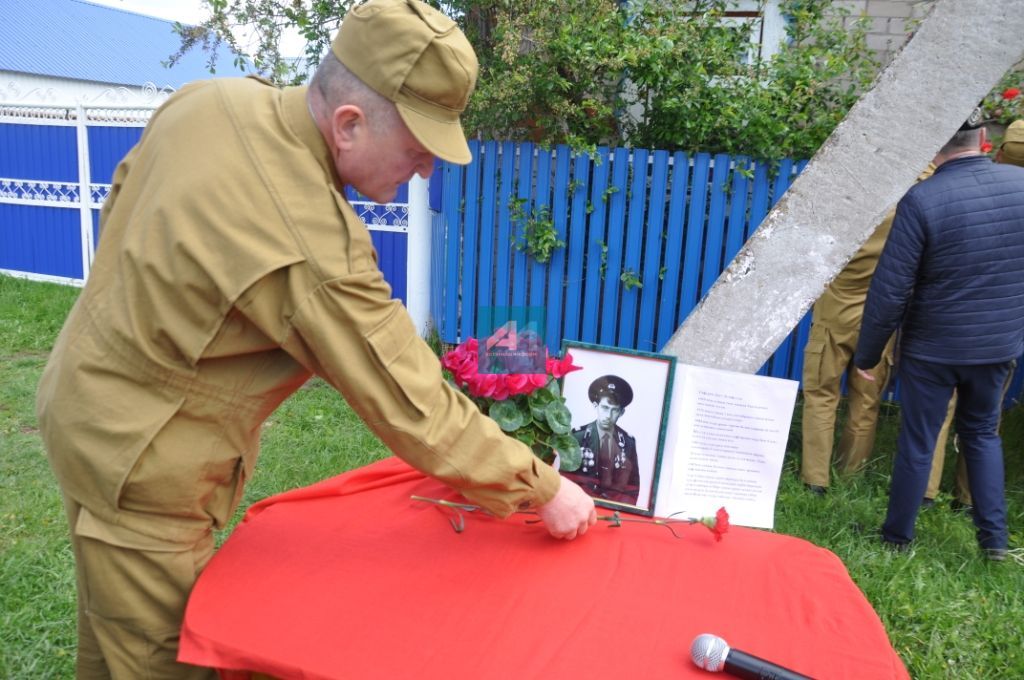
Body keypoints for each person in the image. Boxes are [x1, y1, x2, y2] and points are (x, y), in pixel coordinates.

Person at [34, 1, 596, 677]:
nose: (424, 172)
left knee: (110, 639)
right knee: (161, 657)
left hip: (86, 409)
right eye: (418, 148)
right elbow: (406, 395)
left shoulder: (210, 102)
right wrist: (542, 488)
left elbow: (120, 203)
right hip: (143, 470)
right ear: (349, 124)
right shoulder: (312, 239)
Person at [853, 109, 1024, 561]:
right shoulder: (1021, 188)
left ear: (933, 147)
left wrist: (867, 355)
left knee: (918, 440)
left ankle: (896, 538)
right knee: (982, 435)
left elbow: (890, 290)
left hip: (933, 348)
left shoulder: (922, 200)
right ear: (984, 138)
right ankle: (994, 543)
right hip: (997, 346)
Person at [800, 165, 954, 498]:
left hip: (834, 310)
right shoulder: (914, 198)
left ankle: (815, 480)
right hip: (880, 316)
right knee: (866, 401)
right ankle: (851, 473)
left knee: (821, 394)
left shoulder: (845, 195)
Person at [567, 375, 640, 505]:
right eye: (605, 408)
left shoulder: (628, 442)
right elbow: (565, 479)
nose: (608, 415)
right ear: (596, 406)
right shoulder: (577, 436)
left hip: (613, 507)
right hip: (578, 503)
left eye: (614, 410)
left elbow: (633, 488)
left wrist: (620, 507)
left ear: (621, 412)